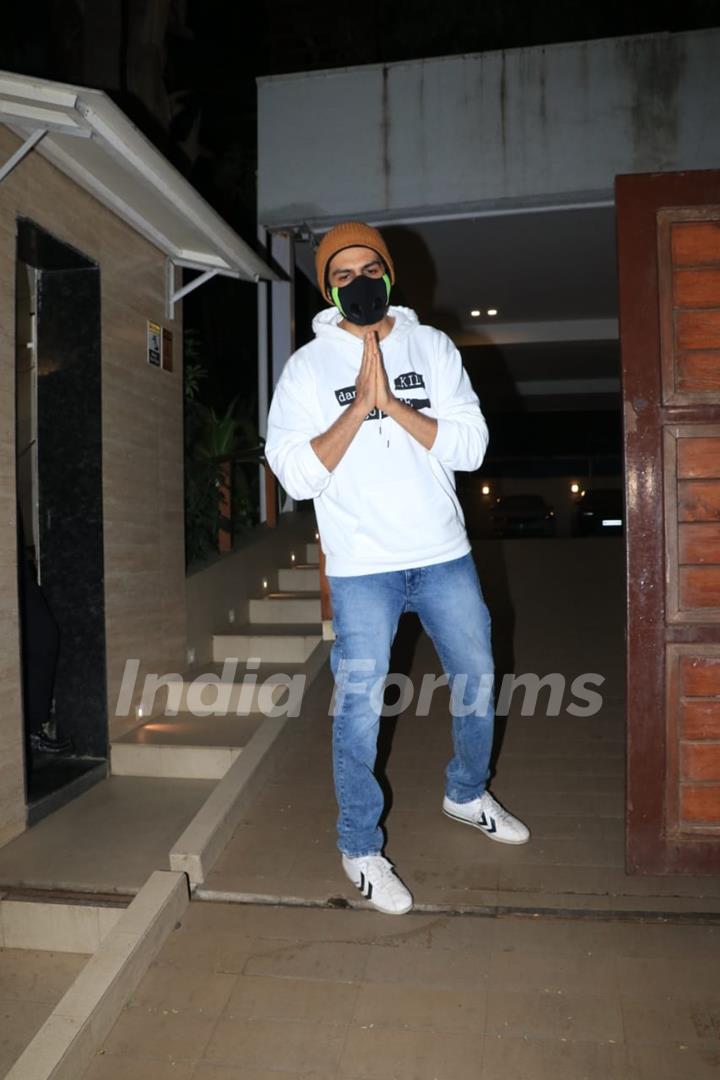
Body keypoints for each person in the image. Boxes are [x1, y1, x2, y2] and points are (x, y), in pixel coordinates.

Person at [266, 221, 529, 915]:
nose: (358, 283)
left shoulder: (432, 347)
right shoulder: (306, 369)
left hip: (442, 553)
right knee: (358, 709)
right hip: (361, 568)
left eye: (368, 269)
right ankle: (359, 845)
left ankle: (466, 793)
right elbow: (293, 474)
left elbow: (470, 446)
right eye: (342, 275)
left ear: (389, 274)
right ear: (327, 287)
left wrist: (394, 407)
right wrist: (358, 410)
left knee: (477, 675)